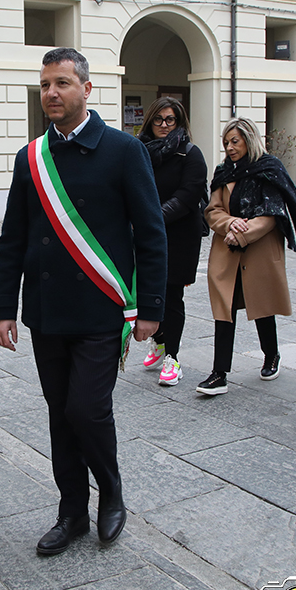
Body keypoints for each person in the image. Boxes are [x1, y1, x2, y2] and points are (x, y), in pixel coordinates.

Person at [0, 48, 167, 556]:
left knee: (87, 409)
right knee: (59, 414)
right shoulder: (31, 158)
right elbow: (13, 238)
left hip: (99, 310)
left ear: (86, 89)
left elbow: (151, 234)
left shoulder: (123, 150)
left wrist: (150, 307)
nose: (52, 93)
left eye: (63, 83)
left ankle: (110, 491)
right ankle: (71, 511)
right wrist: (3, 307)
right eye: (46, 84)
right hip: (47, 311)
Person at [198, 118, 296, 396]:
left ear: (249, 140)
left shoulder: (269, 168)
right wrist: (231, 224)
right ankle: (219, 373)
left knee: (261, 306)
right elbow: (212, 211)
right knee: (224, 311)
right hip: (227, 253)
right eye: (226, 142)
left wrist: (241, 233)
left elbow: (272, 214)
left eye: (235, 141)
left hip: (260, 250)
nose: (229, 148)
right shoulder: (223, 172)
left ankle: (271, 355)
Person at [136, 98, 207, 386]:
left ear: (179, 122)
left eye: (171, 120)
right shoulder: (139, 152)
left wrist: (153, 218)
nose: (164, 125)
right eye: (159, 120)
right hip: (147, 235)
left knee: (172, 296)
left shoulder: (189, 153)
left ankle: (173, 358)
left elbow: (188, 196)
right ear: (150, 121)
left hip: (179, 236)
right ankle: (160, 342)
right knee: (149, 292)